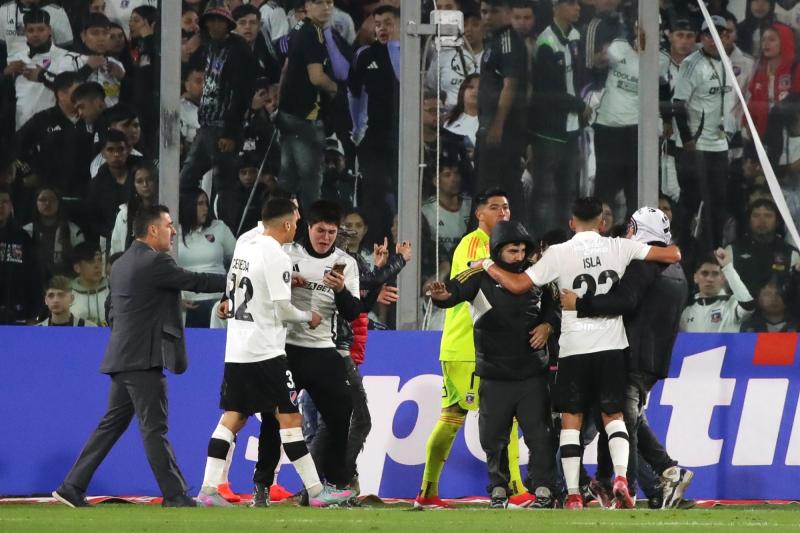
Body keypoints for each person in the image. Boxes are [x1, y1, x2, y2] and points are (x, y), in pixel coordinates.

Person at [479, 197, 682, 510]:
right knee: (614, 417)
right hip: (613, 347)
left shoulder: (559, 253)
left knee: (571, 421)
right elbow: (672, 253)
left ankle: (573, 493)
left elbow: (519, 285)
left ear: (571, 223)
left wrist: (489, 266)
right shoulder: (619, 247)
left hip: (574, 348)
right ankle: (620, 479)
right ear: (602, 223)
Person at [52, 204, 227, 508]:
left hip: (123, 356)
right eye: (169, 225)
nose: (174, 230)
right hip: (142, 359)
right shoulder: (154, 262)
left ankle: (71, 486)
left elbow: (115, 309)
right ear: (153, 230)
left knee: (111, 426)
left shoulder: (121, 264)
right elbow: (194, 281)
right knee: (154, 429)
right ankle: (174, 494)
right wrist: (235, 278)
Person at [196, 198, 356, 507]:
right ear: (286, 224)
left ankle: (208, 488)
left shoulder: (245, 246)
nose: (296, 227)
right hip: (266, 352)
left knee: (233, 417)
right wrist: (307, 316)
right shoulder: (278, 256)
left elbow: (233, 295)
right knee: (290, 418)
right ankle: (317, 492)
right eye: (295, 223)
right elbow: (283, 309)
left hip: (237, 349)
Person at [559, 207, 694, 509]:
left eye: (631, 228)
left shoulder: (645, 263)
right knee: (625, 418)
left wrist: (580, 303)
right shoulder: (674, 268)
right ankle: (667, 471)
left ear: (639, 229)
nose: (627, 235)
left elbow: (625, 300)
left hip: (631, 354)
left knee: (620, 422)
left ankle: (625, 489)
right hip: (655, 357)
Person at [416, 188, 538, 509]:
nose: (503, 213)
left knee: (453, 417)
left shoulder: (501, 244)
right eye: (495, 207)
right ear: (479, 214)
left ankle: (428, 492)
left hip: (471, 346)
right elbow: (479, 292)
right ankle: (515, 489)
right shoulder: (476, 243)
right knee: (502, 416)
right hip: (469, 345)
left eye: (506, 207)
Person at [284, 199, 360, 490]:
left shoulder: (346, 263)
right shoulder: (287, 254)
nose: (326, 237)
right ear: (308, 227)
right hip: (287, 348)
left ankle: (336, 483)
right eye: (321, 230)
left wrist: (339, 290)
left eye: (331, 232)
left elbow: (354, 311)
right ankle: (263, 484)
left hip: (322, 350)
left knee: (341, 414)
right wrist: (287, 281)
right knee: (275, 418)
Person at [179, 3, 255, 200]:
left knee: (225, 186)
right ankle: (190, 222)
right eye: (210, 21)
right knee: (185, 181)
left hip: (224, 127)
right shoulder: (210, 47)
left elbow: (241, 94)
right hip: (206, 126)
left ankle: (226, 228)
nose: (213, 25)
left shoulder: (238, 49)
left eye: (218, 20)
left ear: (227, 23)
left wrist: (230, 132)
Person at [672, 15, 735, 250]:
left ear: (726, 36)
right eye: (708, 34)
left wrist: (729, 133)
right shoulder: (691, 64)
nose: (714, 38)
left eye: (720, 33)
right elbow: (678, 104)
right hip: (696, 146)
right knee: (690, 201)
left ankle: (713, 249)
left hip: (719, 145)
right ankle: (682, 249)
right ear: (702, 37)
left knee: (718, 202)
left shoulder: (727, 62)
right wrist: (687, 140)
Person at [529, 0, 589, 233]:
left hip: (572, 128)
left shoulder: (575, 36)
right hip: (549, 130)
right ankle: (542, 240)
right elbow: (546, 92)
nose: (577, 8)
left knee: (569, 190)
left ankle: (566, 239)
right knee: (545, 192)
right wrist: (577, 103)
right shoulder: (546, 43)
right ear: (556, 7)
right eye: (571, 3)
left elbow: (580, 77)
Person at [275, 0, 337, 211]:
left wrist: (279, 103)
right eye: (319, 2)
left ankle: (281, 228)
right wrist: (336, 88)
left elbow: (285, 69)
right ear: (307, 6)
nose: (326, 7)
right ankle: (314, 232)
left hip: (287, 113)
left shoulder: (298, 28)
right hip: (305, 116)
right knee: (311, 181)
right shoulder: (314, 32)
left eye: (329, 2)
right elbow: (317, 78)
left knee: (288, 180)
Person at [347, 4, 400, 242]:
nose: (382, 29)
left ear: (399, 24)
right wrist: (357, 128)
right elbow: (354, 95)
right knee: (373, 193)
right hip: (373, 138)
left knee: (402, 194)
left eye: (388, 23)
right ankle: (370, 247)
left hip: (404, 137)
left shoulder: (414, 53)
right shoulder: (365, 55)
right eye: (378, 24)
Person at [475, 0, 527, 224]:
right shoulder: (493, 40)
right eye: (484, 12)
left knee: (501, 188)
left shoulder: (508, 41)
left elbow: (511, 84)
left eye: (493, 11)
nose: (487, 17)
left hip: (504, 130)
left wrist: (498, 123)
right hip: (490, 126)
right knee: (487, 186)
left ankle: (509, 235)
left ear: (507, 12)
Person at [14, 71, 91, 198]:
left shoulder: (91, 119)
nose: (83, 97)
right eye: (78, 92)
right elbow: (14, 146)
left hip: (86, 193)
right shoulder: (43, 119)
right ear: (61, 94)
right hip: (51, 195)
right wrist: (28, 172)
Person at [593, 16, 638, 221]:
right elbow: (597, 61)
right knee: (605, 188)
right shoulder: (620, 47)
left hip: (636, 129)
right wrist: (602, 57)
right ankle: (597, 235)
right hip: (608, 126)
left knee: (634, 190)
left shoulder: (660, 58)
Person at [177, 188, 236, 328]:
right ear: (188, 206)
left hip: (219, 299)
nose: (205, 208)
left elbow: (238, 258)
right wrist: (175, 299)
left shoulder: (219, 227)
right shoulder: (174, 231)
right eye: (200, 204)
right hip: (189, 301)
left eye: (206, 204)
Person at [5, 8, 68, 130]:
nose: (35, 34)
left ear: (49, 30)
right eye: (31, 30)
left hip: (52, 130)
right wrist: (5, 75)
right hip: (21, 129)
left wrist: (43, 76)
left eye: (41, 29)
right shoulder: (16, 58)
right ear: (25, 32)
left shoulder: (64, 57)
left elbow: (69, 88)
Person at [725, 199, 800, 296]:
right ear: (749, 220)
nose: (762, 220)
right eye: (756, 215)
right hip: (741, 308)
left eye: (768, 216)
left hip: (779, 308)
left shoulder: (791, 253)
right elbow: (723, 287)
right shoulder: (732, 250)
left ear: (777, 221)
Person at [52, 13, 125, 108]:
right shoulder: (69, 60)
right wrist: (88, 68)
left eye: (105, 33)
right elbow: (63, 92)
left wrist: (123, 78)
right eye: (95, 33)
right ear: (83, 36)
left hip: (112, 119)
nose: (101, 38)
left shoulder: (116, 64)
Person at [681, 249, 756, 332]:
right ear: (695, 277)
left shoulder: (732, 304)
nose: (709, 279)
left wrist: (728, 267)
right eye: (704, 273)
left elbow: (749, 305)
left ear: (723, 278)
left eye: (715, 274)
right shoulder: (686, 309)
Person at [747, 22, 799, 137]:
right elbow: (749, 102)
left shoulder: (796, 68)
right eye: (763, 39)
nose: (766, 44)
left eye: (772, 39)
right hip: (763, 136)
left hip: (791, 137)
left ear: (784, 41)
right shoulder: (758, 69)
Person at [23, 186, 84, 279]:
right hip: (32, 281)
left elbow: (82, 262)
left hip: (67, 282)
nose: (47, 203)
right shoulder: (26, 231)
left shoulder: (73, 230)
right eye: (42, 200)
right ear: (35, 203)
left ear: (59, 203)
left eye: (52, 199)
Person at [0, 186, 41, 324]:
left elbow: (33, 276)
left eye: (4, 201)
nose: (0, 206)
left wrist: (33, 313)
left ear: (11, 205)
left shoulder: (23, 237)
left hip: (17, 308)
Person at [109, 164, 157, 255]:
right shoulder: (124, 214)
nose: (145, 184)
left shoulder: (166, 210)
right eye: (139, 181)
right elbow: (116, 248)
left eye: (149, 180)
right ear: (134, 185)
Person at [0, 0, 73, 57]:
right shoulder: (4, 11)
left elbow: (67, 51)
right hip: (14, 72)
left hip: (48, 72)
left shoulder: (57, 12)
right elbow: (2, 51)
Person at [444, 74, 479, 149]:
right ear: (462, 92)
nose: (475, 91)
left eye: (480, 88)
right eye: (470, 87)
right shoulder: (448, 123)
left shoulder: (492, 122)